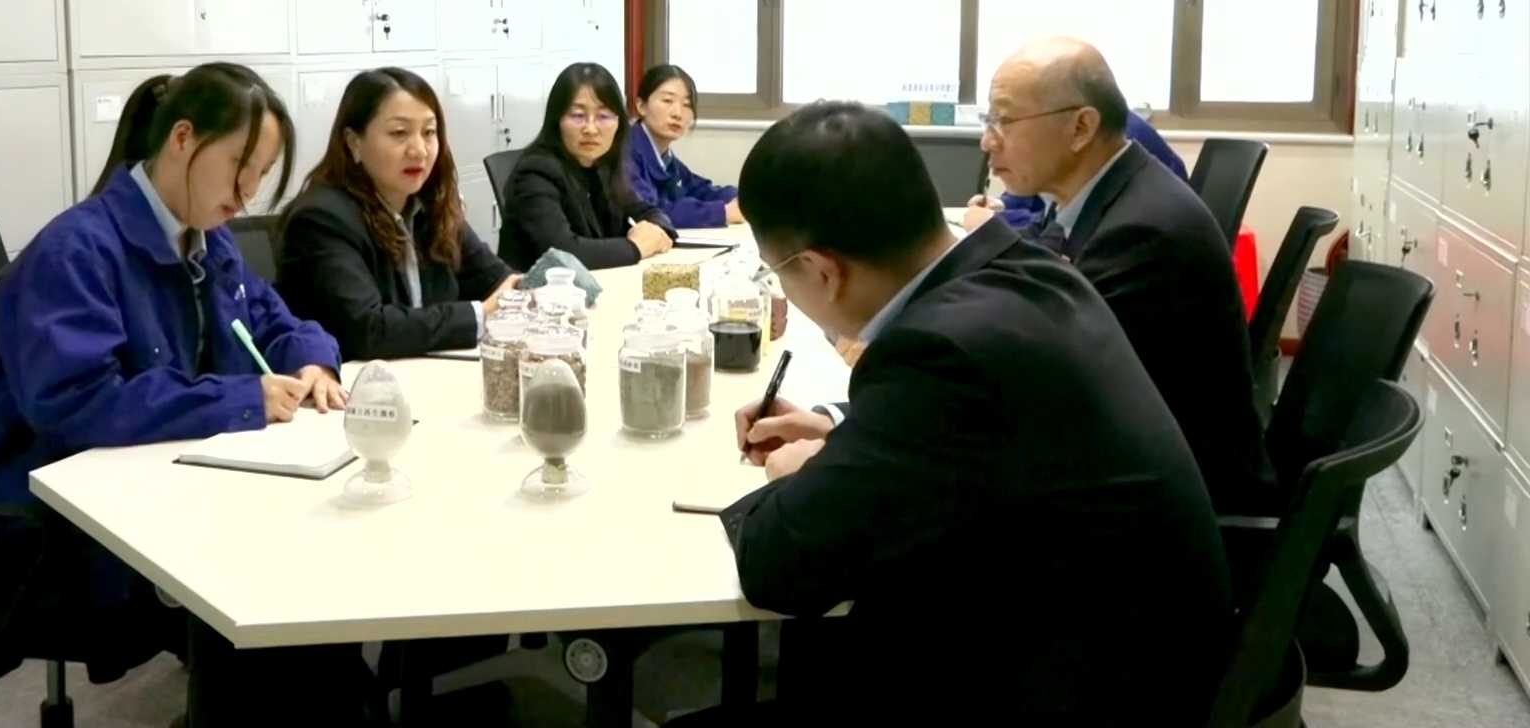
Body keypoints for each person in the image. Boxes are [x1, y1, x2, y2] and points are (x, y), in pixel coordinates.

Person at [693, 102, 1230, 724]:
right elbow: (976, 430)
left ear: (820, 270)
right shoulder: (1021, 268)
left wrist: (797, 475)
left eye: (780, 274)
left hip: (1081, 685)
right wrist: (844, 429)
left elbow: (777, 567)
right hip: (1140, 641)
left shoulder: (937, 355)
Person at [0, 63, 368, 725]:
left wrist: (313, 362)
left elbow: (272, 320)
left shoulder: (205, 239)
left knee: (319, 585)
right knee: (279, 595)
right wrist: (241, 398)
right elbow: (79, 404)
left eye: (262, 172)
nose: (248, 191)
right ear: (182, 139)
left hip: (168, 488)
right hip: (62, 530)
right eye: (239, 165)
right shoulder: (76, 251)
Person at [963, 37, 1273, 514]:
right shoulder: (1110, 193)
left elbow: (1046, 380)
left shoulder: (1143, 232)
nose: (988, 141)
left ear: (1081, 127)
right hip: (1136, 462)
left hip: (1171, 507)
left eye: (1004, 121)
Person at [278, 68, 520, 360]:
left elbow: (497, 280)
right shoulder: (321, 219)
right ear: (354, 142)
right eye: (399, 133)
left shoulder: (431, 205)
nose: (419, 150)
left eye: (429, 132)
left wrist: (527, 290)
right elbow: (369, 330)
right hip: (354, 382)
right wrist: (480, 314)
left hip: (424, 371)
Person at [497, 62, 678, 271]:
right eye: (577, 115)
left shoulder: (603, 165)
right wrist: (636, 247)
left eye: (603, 116)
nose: (591, 129)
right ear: (557, 120)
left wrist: (655, 230)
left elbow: (648, 211)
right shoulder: (535, 173)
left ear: (619, 123)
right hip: (540, 289)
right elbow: (563, 253)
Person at [989, 108, 1188, 230]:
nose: (987, 142)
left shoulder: (1114, 140)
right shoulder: (1063, 131)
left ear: (1082, 126)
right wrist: (1000, 206)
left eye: (1008, 122)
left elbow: (1062, 227)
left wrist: (997, 222)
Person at [626, 64, 743, 229]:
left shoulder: (666, 158)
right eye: (667, 101)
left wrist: (743, 198)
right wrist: (723, 212)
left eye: (686, 104)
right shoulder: (625, 153)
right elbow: (652, 212)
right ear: (641, 106)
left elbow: (701, 190)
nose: (677, 113)